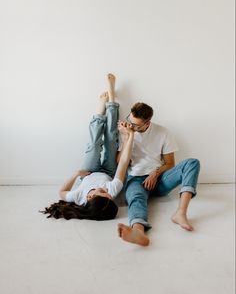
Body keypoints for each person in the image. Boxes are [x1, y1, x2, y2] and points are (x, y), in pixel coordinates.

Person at [41, 74, 134, 221]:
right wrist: (129, 138)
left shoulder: (78, 197)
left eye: (103, 192)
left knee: (94, 145)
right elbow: (122, 163)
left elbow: (62, 192)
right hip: (109, 171)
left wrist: (77, 174)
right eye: (110, 196)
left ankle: (99, 112)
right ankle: (111, 101)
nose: (109, 193)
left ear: (90, 197)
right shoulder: (112, 191)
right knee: (111, 141)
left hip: (88, 172)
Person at [117, 102, 200, 246]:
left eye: (136, 125)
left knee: (192, 162)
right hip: (136, 179)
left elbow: (170, 163)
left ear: (147, 123)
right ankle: (138, 231)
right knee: (136, 198)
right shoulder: (126, 131)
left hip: (159, 179)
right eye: (130, 120)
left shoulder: (163, 133)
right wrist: (127, 138)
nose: (131, 125)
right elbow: (120, 161)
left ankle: (180, 213)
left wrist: (155, 173)